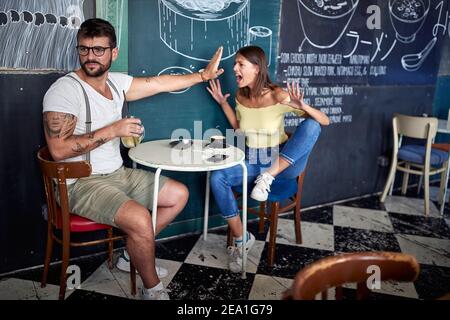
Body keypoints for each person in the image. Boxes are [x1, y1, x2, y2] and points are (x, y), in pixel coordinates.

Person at [42, 18, 224, 300]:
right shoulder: (64, 90)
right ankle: (152, 289)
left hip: (117, 174)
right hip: (81, 182)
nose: (91, 56)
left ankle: (130, 254)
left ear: (113, 53)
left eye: (99, 50)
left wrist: (201, 76)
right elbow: (58, 150)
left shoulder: (116, 84)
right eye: (85, 49)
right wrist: (113, 130)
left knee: (178, 194)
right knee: (140, 219)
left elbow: (159, 82)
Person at [206, 45, 329, 272]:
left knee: (311, 125)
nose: (234, 68)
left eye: (240, 64)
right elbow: (238, 128)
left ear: (256, 67)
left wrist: (303, 106)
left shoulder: (278, 95)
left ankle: (268, 176)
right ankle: (243, 239)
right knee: (217, 177)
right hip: (253, 159)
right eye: (235, 64)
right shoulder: (240, 97)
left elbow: (325, 121)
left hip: (284, 163)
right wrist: (223, 103)